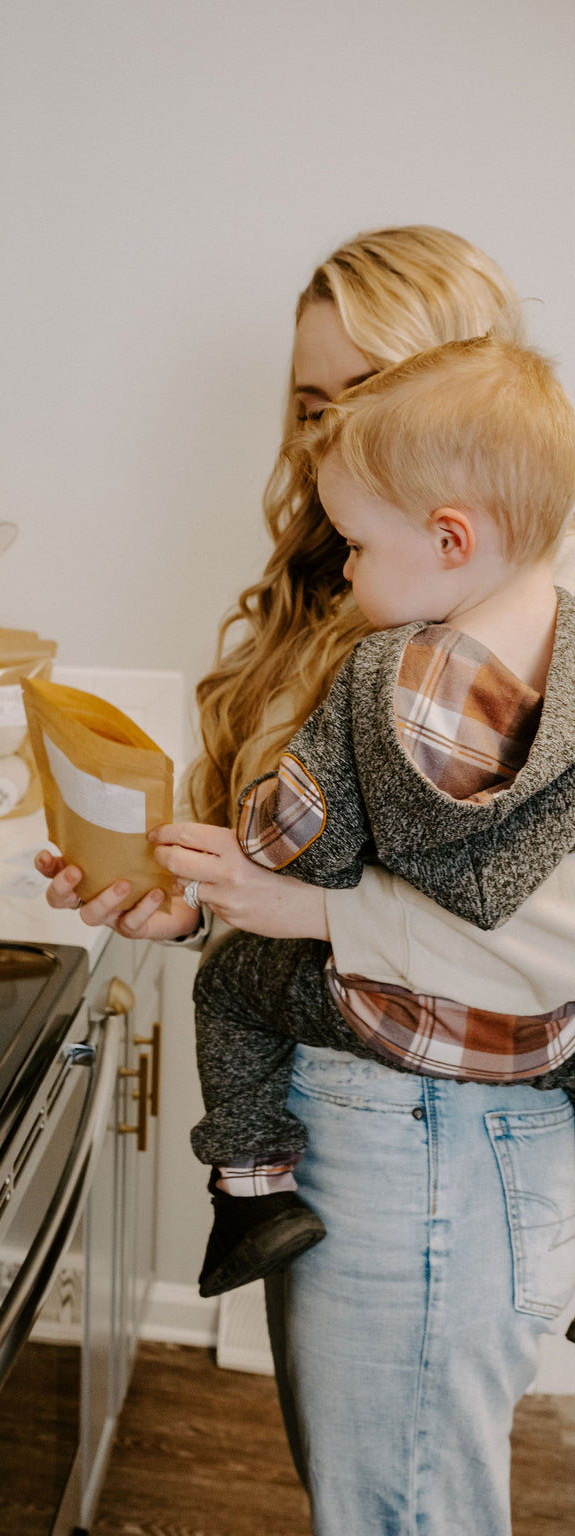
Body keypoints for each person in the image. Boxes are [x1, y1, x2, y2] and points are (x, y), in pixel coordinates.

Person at [35, 225, 575, 1536]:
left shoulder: (515, 639)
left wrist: (307, 909)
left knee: (398, 1514)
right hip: (352, 1112)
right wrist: (190, 895)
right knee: (374, 1498)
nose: (331, 434)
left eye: (363, 398)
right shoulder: (353, 588)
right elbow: (321, 871)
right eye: (311, 404)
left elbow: (542, 937)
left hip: (431, 1133)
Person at [190, 334, 575, 1298]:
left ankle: (251, 1190)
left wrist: (255, 865)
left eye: (358, 546)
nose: (348, 572)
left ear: (451, 539)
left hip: (404, 1029)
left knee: (233, 985)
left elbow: (295, 839)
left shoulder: (377, 676)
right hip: (546, 1033)